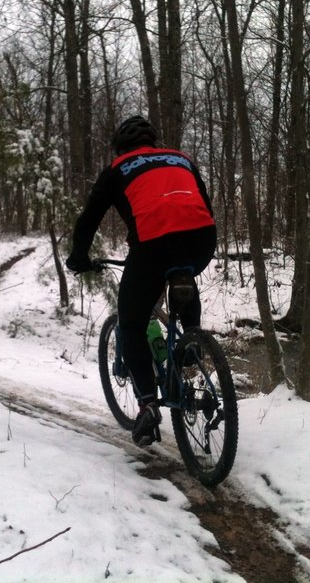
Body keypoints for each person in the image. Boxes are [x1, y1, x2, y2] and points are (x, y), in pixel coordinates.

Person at [66, 116, 217, 446]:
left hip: (152, 246)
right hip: (202, 238)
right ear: (154, 142)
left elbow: (90, 217)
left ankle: (148, 404)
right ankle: (190, 343)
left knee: (131, 324)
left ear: (120, 147)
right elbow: (204, 204)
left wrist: (78, 256)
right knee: (184, 274)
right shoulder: (182, 158)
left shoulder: (118, 167)